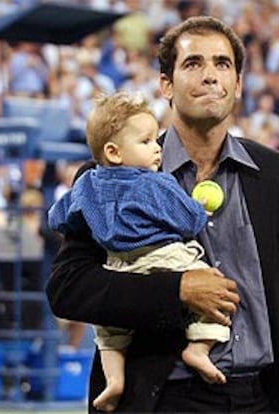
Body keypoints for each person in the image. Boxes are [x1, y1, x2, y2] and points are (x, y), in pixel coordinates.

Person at [46, 16, 279, 413]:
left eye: (222, 64)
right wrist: (177, 290)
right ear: (165, 85)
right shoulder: (107, 180)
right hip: (161, 400)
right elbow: (69, 288)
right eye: (193, 64)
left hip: (263, 399)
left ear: (237, 85)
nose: (210, 76)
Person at [47, 92, 230, 412]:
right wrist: (199, 208)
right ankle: (199, 348)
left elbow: (59, 216)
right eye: (146, 141)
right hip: (162, 259)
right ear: (114, 152)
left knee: (110, 333)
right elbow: (188, 221)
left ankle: (115, 381)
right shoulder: (153, 183)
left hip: (117, 265)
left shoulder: (87, 185)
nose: (157, 147)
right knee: (211, 287)